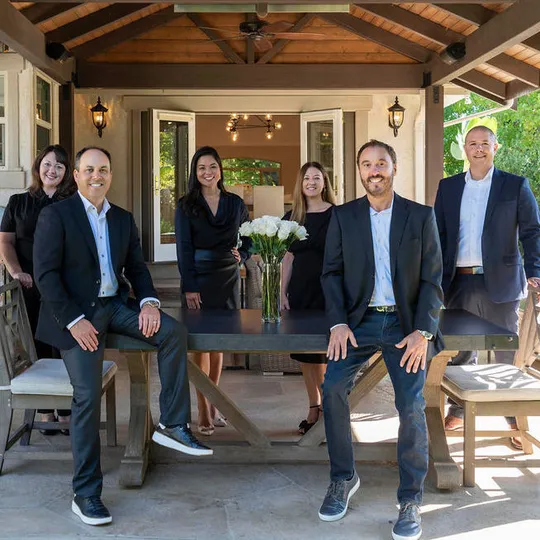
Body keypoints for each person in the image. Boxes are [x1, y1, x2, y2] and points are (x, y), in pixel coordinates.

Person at [33, 147, 212, 527]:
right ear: (76, 175)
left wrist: (149, 303)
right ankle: (86, 494)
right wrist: (74, 321)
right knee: (87, 397)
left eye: (103, 170)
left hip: (115, 306)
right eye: (89, 169)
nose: (96, 176)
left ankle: (173, 424)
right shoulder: (56, 215)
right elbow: (45, 275)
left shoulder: (123, 219)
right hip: (77, 316)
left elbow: (137, 269)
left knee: (172, 332)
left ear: (110, 175)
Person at [318, 140, 444, 540]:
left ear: (393, 168)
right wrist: (338, 323)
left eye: (381, 163)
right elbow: (331, 274)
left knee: (410, 404)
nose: (374, 170)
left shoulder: (420, 216)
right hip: (359, 322)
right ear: (359, 170)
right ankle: (343, 477)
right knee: (332, 388)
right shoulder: (344, 217)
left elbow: (433, 279)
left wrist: (423, 331)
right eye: (367, 164)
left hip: (406, 325)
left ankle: (410, 500)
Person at [434, 125, 540, 448]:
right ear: (465, 149)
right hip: (459, 280)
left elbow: (532, 231)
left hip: (503, 280)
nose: (478, 149)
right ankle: (458, 409)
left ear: (496, 147)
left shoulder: (515, 185)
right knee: (461, 349)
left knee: (505, 349)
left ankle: (511, 415)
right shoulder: (448, 187)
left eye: (484, 143)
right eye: (472, 144)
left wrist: (535, 270)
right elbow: (438, 234)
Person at [0, 145, 76, 435]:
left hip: (62, 287)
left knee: (63, 345)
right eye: (47, 164)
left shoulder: (73, 203)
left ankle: (66, 409)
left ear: (67, 172)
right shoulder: (18, 202)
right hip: (28, 286)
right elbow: (5, 242)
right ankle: (44, 409)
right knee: (37, 345)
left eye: (59, 166)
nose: (52, 170)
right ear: (38, 166)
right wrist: (16, 271)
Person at [175, 146, 250, 436]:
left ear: (220, 169)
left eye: (212, 166)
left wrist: (242, 255)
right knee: (200, 344)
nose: (208, 172)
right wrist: (190, 286)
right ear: (195, 173)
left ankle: (213, 401)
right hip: (199, 278)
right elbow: (183, 248)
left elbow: (250, 236)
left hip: (228, 279)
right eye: (201, 168)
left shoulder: (235, 203)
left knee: (218, 342)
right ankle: (202, 408)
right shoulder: (186, 205)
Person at [281, 162, 335, 434]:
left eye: (316, 177)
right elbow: (288, 258)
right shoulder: (292, 217)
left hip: (327, 291)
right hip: (300, 291)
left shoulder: (337, 214)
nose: (311, 182)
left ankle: (327, 412)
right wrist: (282, 292)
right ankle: (313, 407)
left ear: (324, 182)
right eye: (306, 178)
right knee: (304, 353)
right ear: (300, 184)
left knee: (322, 352)